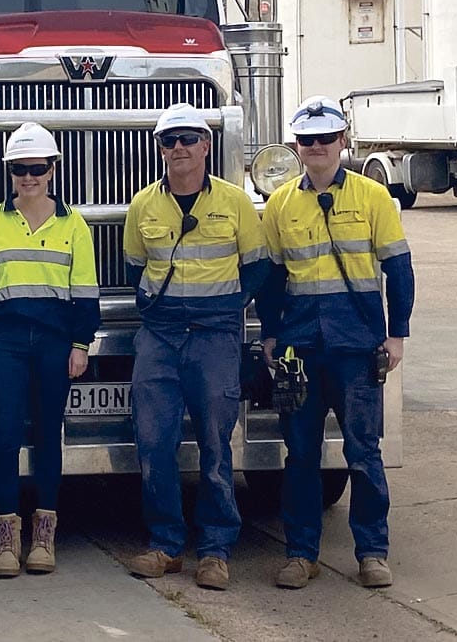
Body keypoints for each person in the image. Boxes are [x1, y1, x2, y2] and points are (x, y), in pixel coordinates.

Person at [257, 95, 415, 590]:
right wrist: (268, 334)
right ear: (296, 146)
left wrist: (397, 331)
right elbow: (271, 279)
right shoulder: (279, 204)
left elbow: (399, 267)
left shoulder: (372, 197)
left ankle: (372, 552)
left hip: (356, 345)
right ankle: (301, 554)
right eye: (308, 140)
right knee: (299, 454)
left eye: (327, 138)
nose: (318, 147)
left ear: (343, 141)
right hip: (296, 350)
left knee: (363, 452)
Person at [121, 102, 270, 591]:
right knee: (154, 443)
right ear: (159, 148)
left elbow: (258, 266)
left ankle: (215, 550)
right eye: (170, 141)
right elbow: (133, 265)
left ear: (206, 145)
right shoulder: (143, 205)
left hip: (214, 337)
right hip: (159, 337)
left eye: (188, 138)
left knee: (214, 445)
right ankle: (165, 545)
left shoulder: (235, 202)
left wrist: (230, 306)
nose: (179, 148)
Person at [0, 121, 100, 578]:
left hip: (55, 342)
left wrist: (81, 344)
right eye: (19, 169)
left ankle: (44, 539)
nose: (28, 177)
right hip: (6, 342)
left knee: (46, 436)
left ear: (53, 169)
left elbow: (85, 293)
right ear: (9, 172)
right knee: (4, 437)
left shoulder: (74, 224)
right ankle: (6, 542)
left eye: (37, 168)